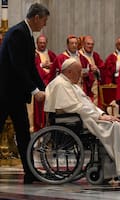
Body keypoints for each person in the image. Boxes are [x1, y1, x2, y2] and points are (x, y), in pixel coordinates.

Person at [44, 58, 120, 181]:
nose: (80, 75)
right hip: (74, 120)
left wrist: (102, 114)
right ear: (69, 72)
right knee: (113, 126)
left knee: (115, 124)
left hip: (84, 117)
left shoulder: (70, 84)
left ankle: (116, 169)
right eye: (78, 72)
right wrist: (99, 116)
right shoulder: (60, 84)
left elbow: (88, 104)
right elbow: (75, 107)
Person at [0, 3, 49, 184]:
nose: (43, 25)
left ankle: (30, 173)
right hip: (5, 94)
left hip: (14, 94)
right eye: (43, 20)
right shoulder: (17, 33)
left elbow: (31, 68)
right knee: (21, 133)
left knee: (23, 133)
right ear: (36, 17)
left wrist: (44, 88)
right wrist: (34, 90)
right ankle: (30, 172)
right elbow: (18, 66)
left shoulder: (26, 34)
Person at [33, 34, 56, 131]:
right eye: (40, 43)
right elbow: (34, 68)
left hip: (50, 86)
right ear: (37, 43)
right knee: (38, 111)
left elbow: (57, 66)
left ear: (46, 43)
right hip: (37, 87)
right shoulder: (33, 54)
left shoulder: (51, 54)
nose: (42, 44)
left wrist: (51, 66)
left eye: (44, 43)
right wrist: (42, 65)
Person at [79, 35, 105, 106]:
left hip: (95, 84)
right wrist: (90, 71)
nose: (90, 46)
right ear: (83, 44)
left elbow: (103, 67)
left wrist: (97, 69)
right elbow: (78, 70)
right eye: (88, 44)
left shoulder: (95, 55)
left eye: (92, 44)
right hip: (84, 85)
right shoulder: (79, 55)